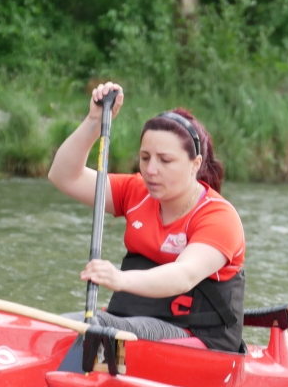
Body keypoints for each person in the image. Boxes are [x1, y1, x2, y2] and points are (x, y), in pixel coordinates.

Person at [48, 82, 246, 353]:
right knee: (52, 329)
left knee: (88, 328)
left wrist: (119, 279)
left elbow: (184, 275)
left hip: (198, 336)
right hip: (130, 321)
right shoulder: (136, 192)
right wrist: (94, 121)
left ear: (195, 165)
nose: (151, 170)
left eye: (165, 161)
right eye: (145, 157)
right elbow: (64, 176)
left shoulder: (218, 217)